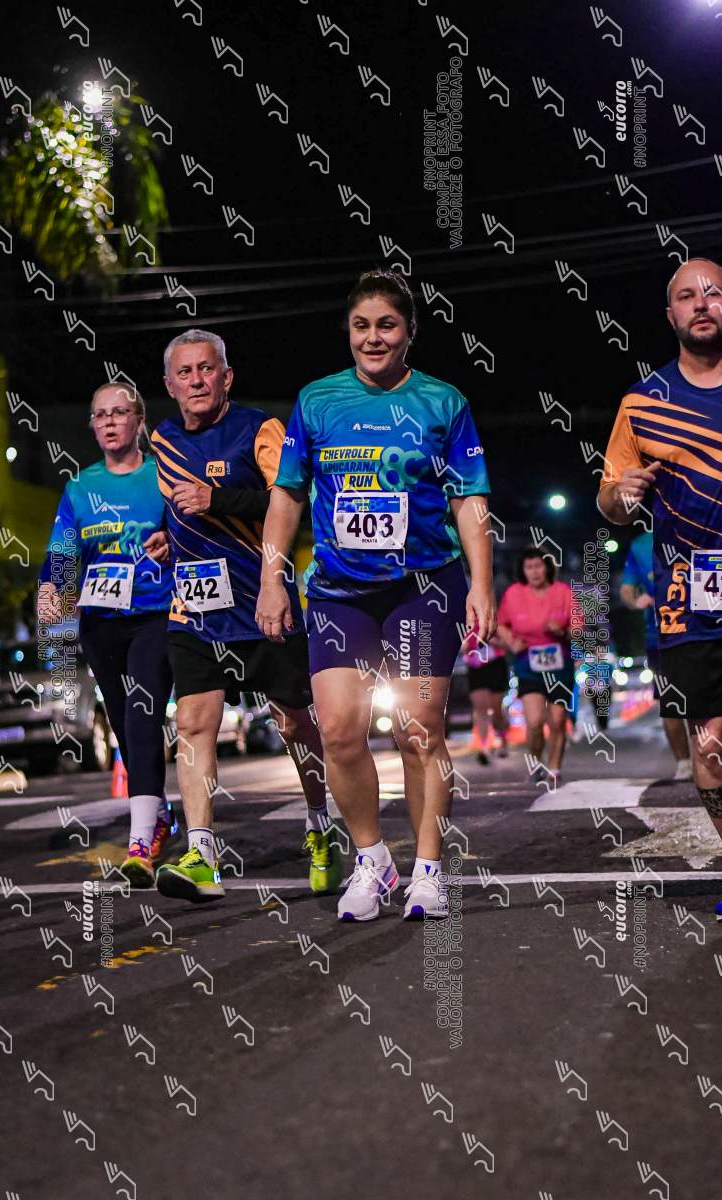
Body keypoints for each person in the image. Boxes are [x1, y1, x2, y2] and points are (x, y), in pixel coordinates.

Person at [256, 268, 496, 922]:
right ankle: (372, 859)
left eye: (387, 325)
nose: (373, 337)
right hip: (339, 593)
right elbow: (287, 495)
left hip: (423, 587)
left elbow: (469, 498)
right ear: (348, 331)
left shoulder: (443, 402)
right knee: (337, 730)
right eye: (361, 325)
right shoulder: (317, 401)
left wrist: (481, 583)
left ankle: (428, 870)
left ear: (409, 331)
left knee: (419, 730)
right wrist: (272, 578)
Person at [598, 257, 722, 923]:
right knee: (711, 745)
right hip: (689, 601)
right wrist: (621, 495)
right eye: (686, 296)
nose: (700, 303)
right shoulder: (643, 402)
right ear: (670, 315)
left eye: (713, 293)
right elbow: (610, 502)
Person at [150, 329, 339, 904]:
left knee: (295, 724)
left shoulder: (260, 429)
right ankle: (202, 854)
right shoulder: (162, 439)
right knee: (192, 724)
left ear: (226, 377)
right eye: (185, 372)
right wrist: (168, 537)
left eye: (207, 369)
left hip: (263, 600)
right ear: (169, 384)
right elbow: (179, 507)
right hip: (194, 606)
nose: (197, 380)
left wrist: (219, 501)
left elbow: (293, 497)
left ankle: (320, 823)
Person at [37, 384, 176, 888]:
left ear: (139, 420)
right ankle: (158, 814)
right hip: (99, 622)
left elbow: (193, 533)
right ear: (93, 426)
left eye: (120, 412)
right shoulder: (80, 487)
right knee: (122, 722)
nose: (111, 422)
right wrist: (51, 588)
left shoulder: (162, 476)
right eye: (101, 415)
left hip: (154, 616)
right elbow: (63, 552)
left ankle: (140, 843)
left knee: (142, 716)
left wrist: (172, 544)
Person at [497, 549, 578, 785]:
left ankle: (555, 768)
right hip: (528, 664)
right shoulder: (513, 593)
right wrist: (512, 642)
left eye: (538, 566)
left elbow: (578, 628)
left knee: (558, 720)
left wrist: (561, 631)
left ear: (547, 568)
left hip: (560, 665)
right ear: (523, 570)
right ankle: (535, 763)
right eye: (529, 567)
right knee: (534, 722)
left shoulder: (563, 592)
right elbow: (501, 624)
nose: (534, 572)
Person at [621, 530, 692, 779]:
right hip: (659, 636)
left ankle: (708, 753)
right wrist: (636, 599)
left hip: (700, 631)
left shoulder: (695, 526)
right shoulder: (640, 544)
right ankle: (684, 762)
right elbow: (627, 589)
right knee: (669, 701)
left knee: (700, 699)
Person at [461, 627, 509, 764]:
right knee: (480, 708)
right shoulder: (463, 621)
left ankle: (503, 741)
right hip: (475, 666)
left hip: (495, 665)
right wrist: (464, 647)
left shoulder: (495, 619)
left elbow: (508, 644)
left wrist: (493, 641)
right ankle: (484, 747)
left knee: (496, 710)